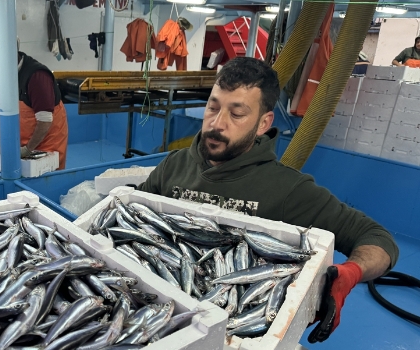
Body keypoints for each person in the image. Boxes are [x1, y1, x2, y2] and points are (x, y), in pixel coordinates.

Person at [138, 57, 399, 343]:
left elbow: (378, 239)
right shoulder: (173, 165)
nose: (217, 124)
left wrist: (351, 272)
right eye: (213, 107)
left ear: (264, 123)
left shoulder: (288, 189)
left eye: (236, 114)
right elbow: (134, 209)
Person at [0, 49, 68, 169]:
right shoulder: (7, 74)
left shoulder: (38, 77)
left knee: (43, 176)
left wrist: (27, 150)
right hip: (24, 142)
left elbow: (45, 121)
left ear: (10, 58)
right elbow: (1, 110)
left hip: (47, 141)